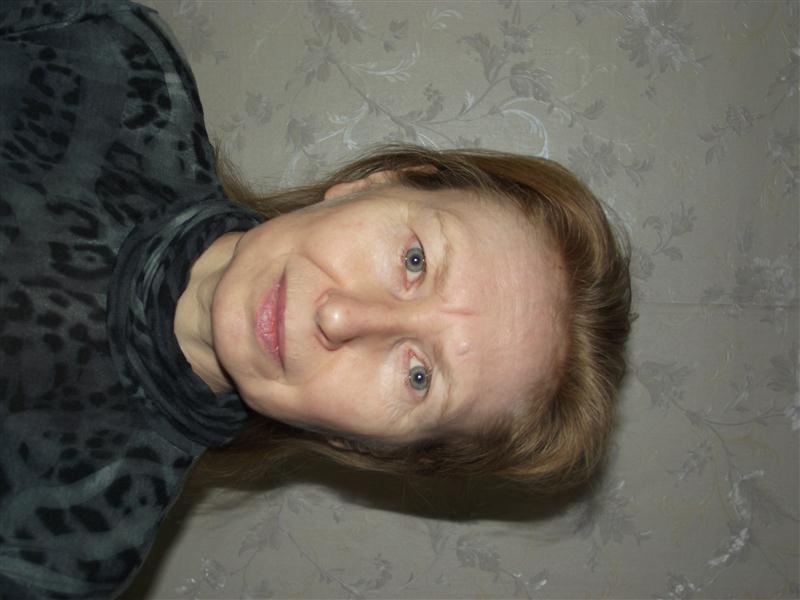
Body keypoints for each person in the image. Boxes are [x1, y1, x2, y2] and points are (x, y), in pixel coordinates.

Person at [0, 1, 631, 599]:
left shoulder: (67, 554)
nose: (339, 317)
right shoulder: (110, 58)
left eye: (418, 376)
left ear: (368, 446)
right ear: (372, 184)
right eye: (414, 261)